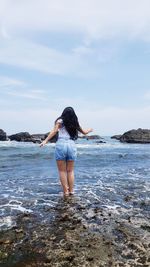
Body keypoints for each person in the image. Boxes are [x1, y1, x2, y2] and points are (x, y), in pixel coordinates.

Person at [40, 107, 93, 196]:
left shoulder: (60, 121)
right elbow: (84, 132)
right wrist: (90, 130)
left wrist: (45, 141)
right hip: (71, 144)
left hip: (61, 144)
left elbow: (54, 131)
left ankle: (65, 192)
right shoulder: (75, 122)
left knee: (62, 171)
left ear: (63, 113)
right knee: (70, 171)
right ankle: (71, 191)